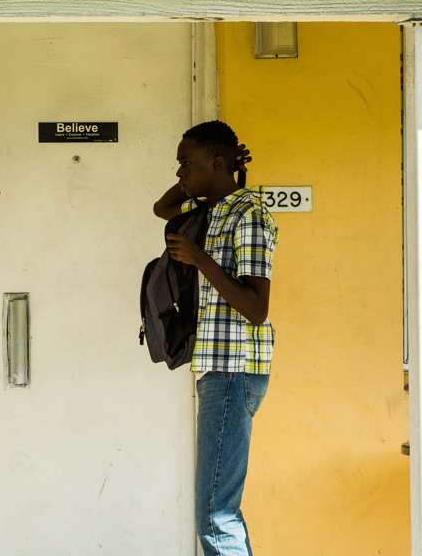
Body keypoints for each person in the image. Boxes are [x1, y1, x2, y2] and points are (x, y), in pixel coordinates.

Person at [153, 120, 278, 556]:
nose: (180, 173)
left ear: (217, 162)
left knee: (215, 512)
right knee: (216, 508)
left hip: (233, 370)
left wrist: (201, 259)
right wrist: (197, 181)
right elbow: (162, 208)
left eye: (187, 163)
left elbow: (256, 308)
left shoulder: (250, 214)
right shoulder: (215, 210)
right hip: (217, 368)